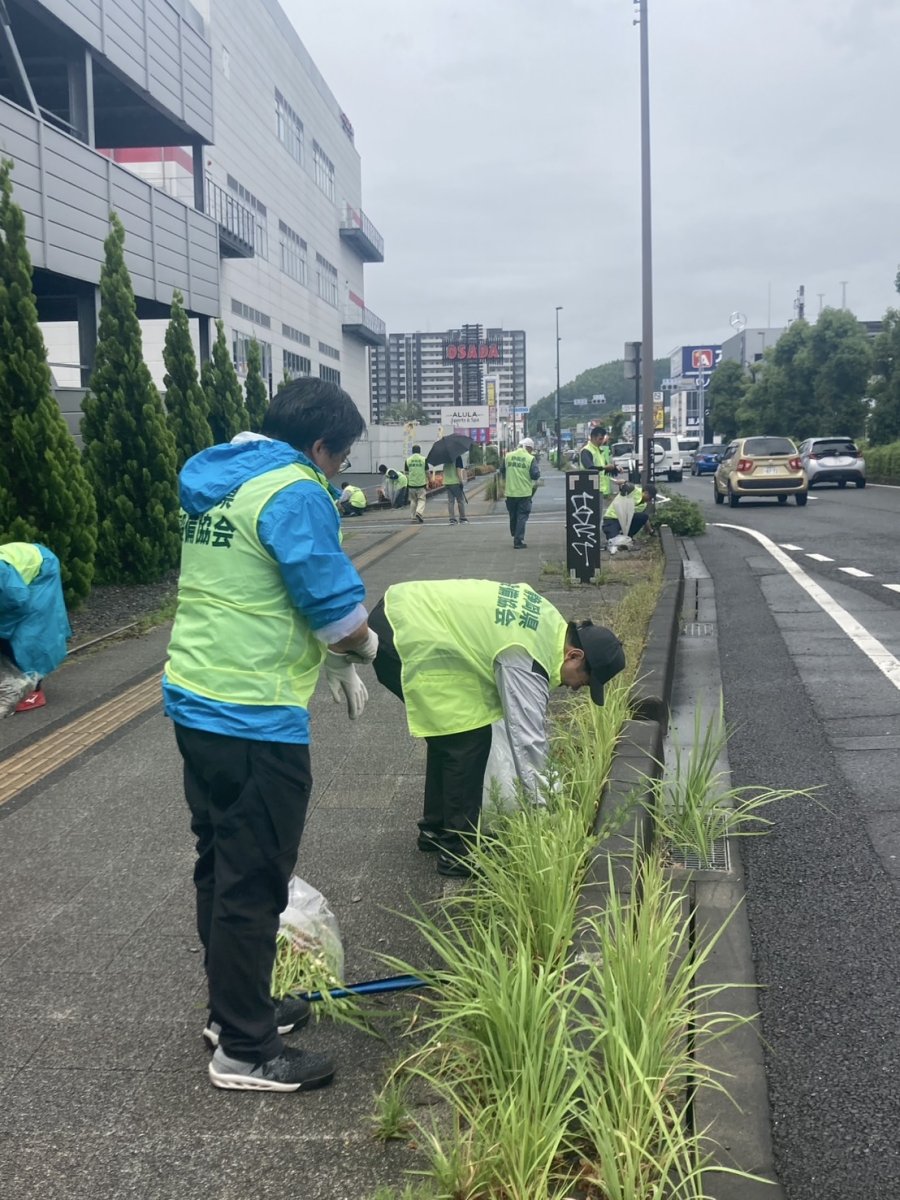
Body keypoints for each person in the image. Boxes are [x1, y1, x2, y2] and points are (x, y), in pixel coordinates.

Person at [162, 378, 379, 1094]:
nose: (336, 473)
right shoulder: (295, 489)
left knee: (221, 863)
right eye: (339, 459)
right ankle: (246, 1052)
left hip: (197, 697)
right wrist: (362, 649)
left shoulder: (221, 479)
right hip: (254, 715)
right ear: (320, 446)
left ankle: (237, 1014)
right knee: (254, 880)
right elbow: (336, 611)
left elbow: (255, 587)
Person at [369, 579, 625, 878]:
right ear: (574, 656)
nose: (576, 689)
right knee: (466, 740)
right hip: (406, 632)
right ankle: (457, 854)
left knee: (452, 737)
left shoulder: (549, 624)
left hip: (401, 608)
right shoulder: (528, 656)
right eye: (584, 681)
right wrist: (548, 819)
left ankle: (437, 830)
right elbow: (527, 742)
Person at [0, 542, 71, 713]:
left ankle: (32, 691)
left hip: (42, 568)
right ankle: (12, 683)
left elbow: (17, 600)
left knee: (30, 633)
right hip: (16, 580)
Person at [501, 437, 540, 549]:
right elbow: (535, 475)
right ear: (529, 448)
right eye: (531, 449)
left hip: (510, 492)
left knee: (513, 515)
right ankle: (518, 541)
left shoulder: (508, 456)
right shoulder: (530, 458)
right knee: (522, 516)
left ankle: (515, 532)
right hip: (524, 493)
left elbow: (502, 470)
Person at [602, 482, 657, 550]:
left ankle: (627, 536)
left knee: (643, 517)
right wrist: (623, 483)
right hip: (612, 518)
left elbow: (644, 519)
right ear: (645, 493)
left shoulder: (643, 505)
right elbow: (627, 487)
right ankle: (615, 536)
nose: (650, 500)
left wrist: (651, 531)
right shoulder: (635, 491)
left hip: (623, 520)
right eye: (650, 497)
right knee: (614, 541)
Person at [579, 425, 617, 500]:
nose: (602, 441)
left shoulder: (599, 450)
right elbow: (589, 467)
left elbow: (605, 467)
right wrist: (604, 467)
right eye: (600, 439)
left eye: (603, 439)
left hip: (599, 489)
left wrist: (616, 468)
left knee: (598, 511)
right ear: (593, 437)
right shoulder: (586, 451)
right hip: (589, 490)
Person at [404, 444, 428, 524]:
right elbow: (427, 472)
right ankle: (419, 512)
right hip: (421, 483)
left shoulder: (408, 460)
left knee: (413, 500)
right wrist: (429, 480)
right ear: (420, 451)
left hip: (411, 484)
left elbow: (406, 473)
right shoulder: (424, 459)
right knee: (421, 499)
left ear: (412, 451)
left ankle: (413, 516)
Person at [442, 456, 468, 524]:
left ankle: (452, 519)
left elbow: (444, 470)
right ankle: (462, 518)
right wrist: (461, 481)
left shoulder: (445, 459)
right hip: (455, 482)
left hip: (447, 482)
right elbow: (458, 471)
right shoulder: (458, 457)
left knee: (450, 501)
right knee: (460, 501)